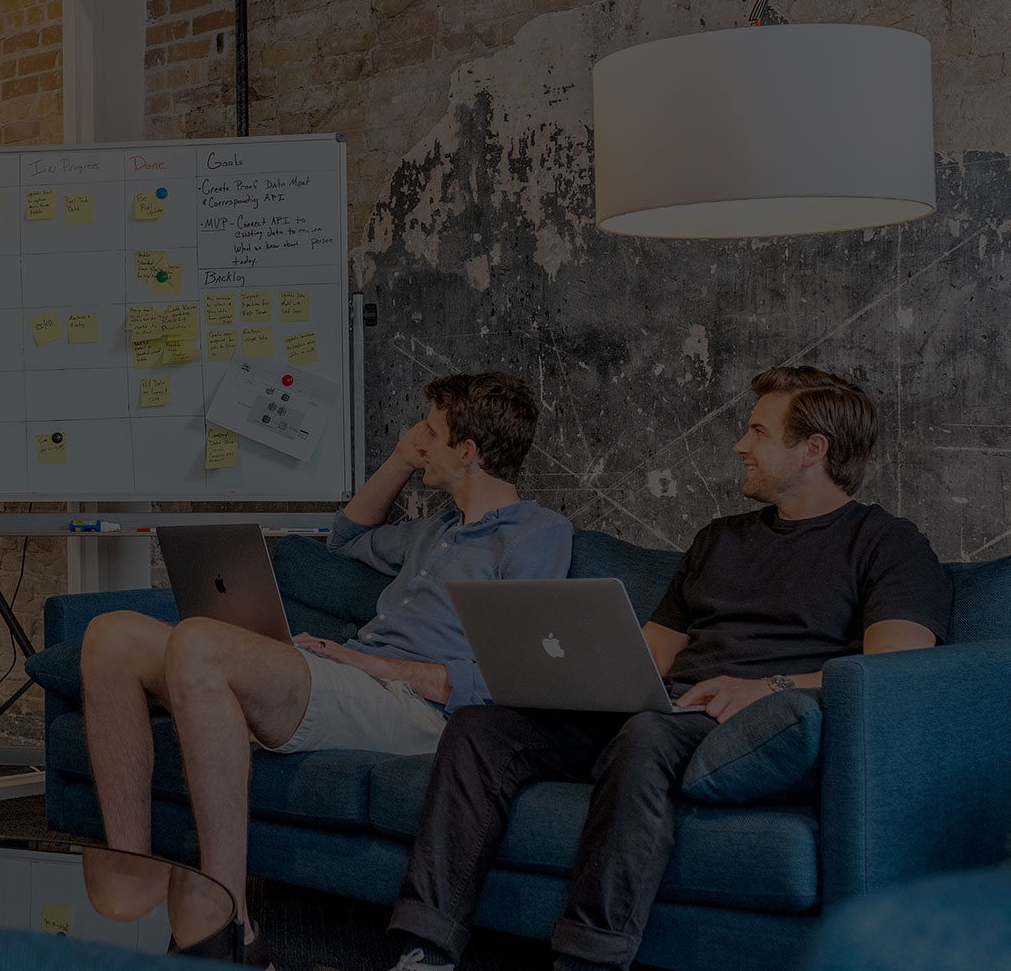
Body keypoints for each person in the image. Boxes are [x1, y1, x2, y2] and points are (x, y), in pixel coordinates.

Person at [382, 366, 950, 971]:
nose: (740, 445)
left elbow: (895, 668)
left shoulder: (887, 543)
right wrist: (576, 677)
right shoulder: (719, 539)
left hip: (760, 724)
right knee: (480, 727)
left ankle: (588, 960)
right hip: (670, 709)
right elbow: (650, 652)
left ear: (813, 449)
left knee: (646, 734)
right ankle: (425, 949)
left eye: (758, 432)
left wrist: (768, 687)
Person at [81, 372, 573, 961]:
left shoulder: (537, 535)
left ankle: (230, 925)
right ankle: (131, 873)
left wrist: (375, 665)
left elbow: (512, 677)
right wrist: (400, 459)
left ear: (466, 452)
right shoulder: (435, 531)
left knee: (199, 643)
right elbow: (346, 538)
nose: (417, 438)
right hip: (354, 682)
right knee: (111, 636)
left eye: (430, 431)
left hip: (417, 711)